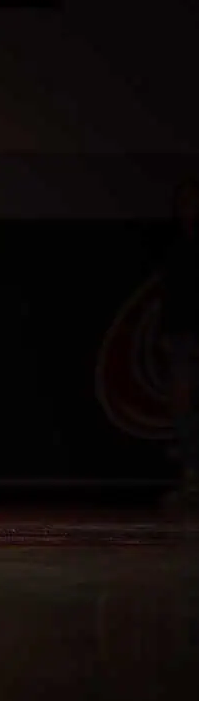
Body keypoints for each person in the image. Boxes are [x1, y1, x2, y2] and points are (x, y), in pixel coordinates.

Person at [160, 179, 199, 506]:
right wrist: (168, 331)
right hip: (181, 335)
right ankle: (191, 475)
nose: (188, 207)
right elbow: (171, 294)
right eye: (183, 201)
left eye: (193, 200)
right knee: (182, 404)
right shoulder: (175, 244)